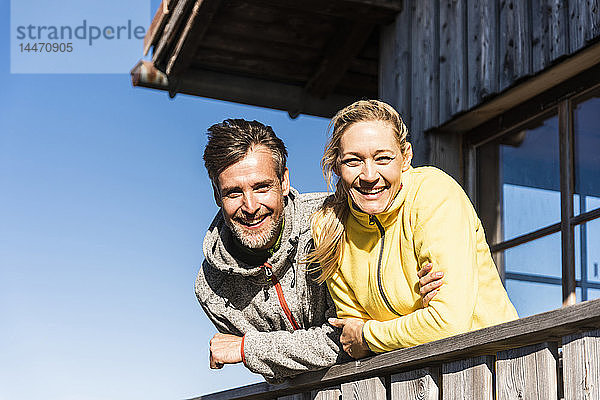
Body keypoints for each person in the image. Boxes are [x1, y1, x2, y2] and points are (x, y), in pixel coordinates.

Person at [195, 119, 443, 382]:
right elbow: (279, 373)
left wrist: (249, 348)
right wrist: (266, 357)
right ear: (216, 195)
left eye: (262, 187)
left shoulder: (332, 221)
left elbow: (347, 339)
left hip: (395, 385)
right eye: (233, 193)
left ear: (284, 181)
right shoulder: (212, 287)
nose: (250, 206)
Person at [307, 100, 519, 360]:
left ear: (405, 157)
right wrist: (419, 310)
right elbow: (352, 342)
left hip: (494, 369)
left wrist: (370, 334)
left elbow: (449, 324)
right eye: (353, 161)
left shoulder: (433, 193)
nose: (369, 175)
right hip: (408, 382)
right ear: (337, 166)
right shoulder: (329, 226)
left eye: (383, 158)